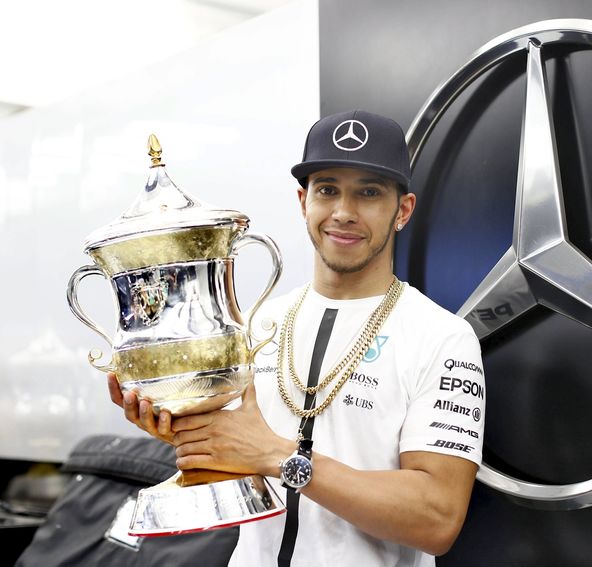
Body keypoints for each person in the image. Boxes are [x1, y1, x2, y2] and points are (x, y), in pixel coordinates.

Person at [107, 110, 486, 566]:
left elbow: (436, 518)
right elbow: (238, 460)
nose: (344, 212)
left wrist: (279, 457)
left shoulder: (441, 338)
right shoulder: (258, 321)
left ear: (402, 211)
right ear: (303, 201)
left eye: (368, 193)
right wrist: (185, 427)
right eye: (328, 190)